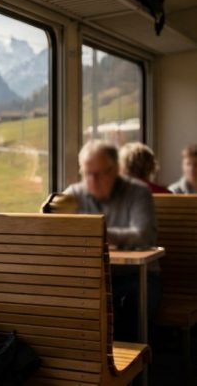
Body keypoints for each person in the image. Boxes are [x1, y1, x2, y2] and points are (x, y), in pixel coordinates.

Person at [63, 140, 159, 342]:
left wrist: (98, 232)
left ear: (115, 170)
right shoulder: (75, 193)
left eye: (98, 174)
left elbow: (144, 235)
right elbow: (55, 229)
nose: (92, 180)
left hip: (137, 275)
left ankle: (134, 366)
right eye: (86, 173)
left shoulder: (138, 192)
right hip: (94, 275)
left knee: (130, 303)